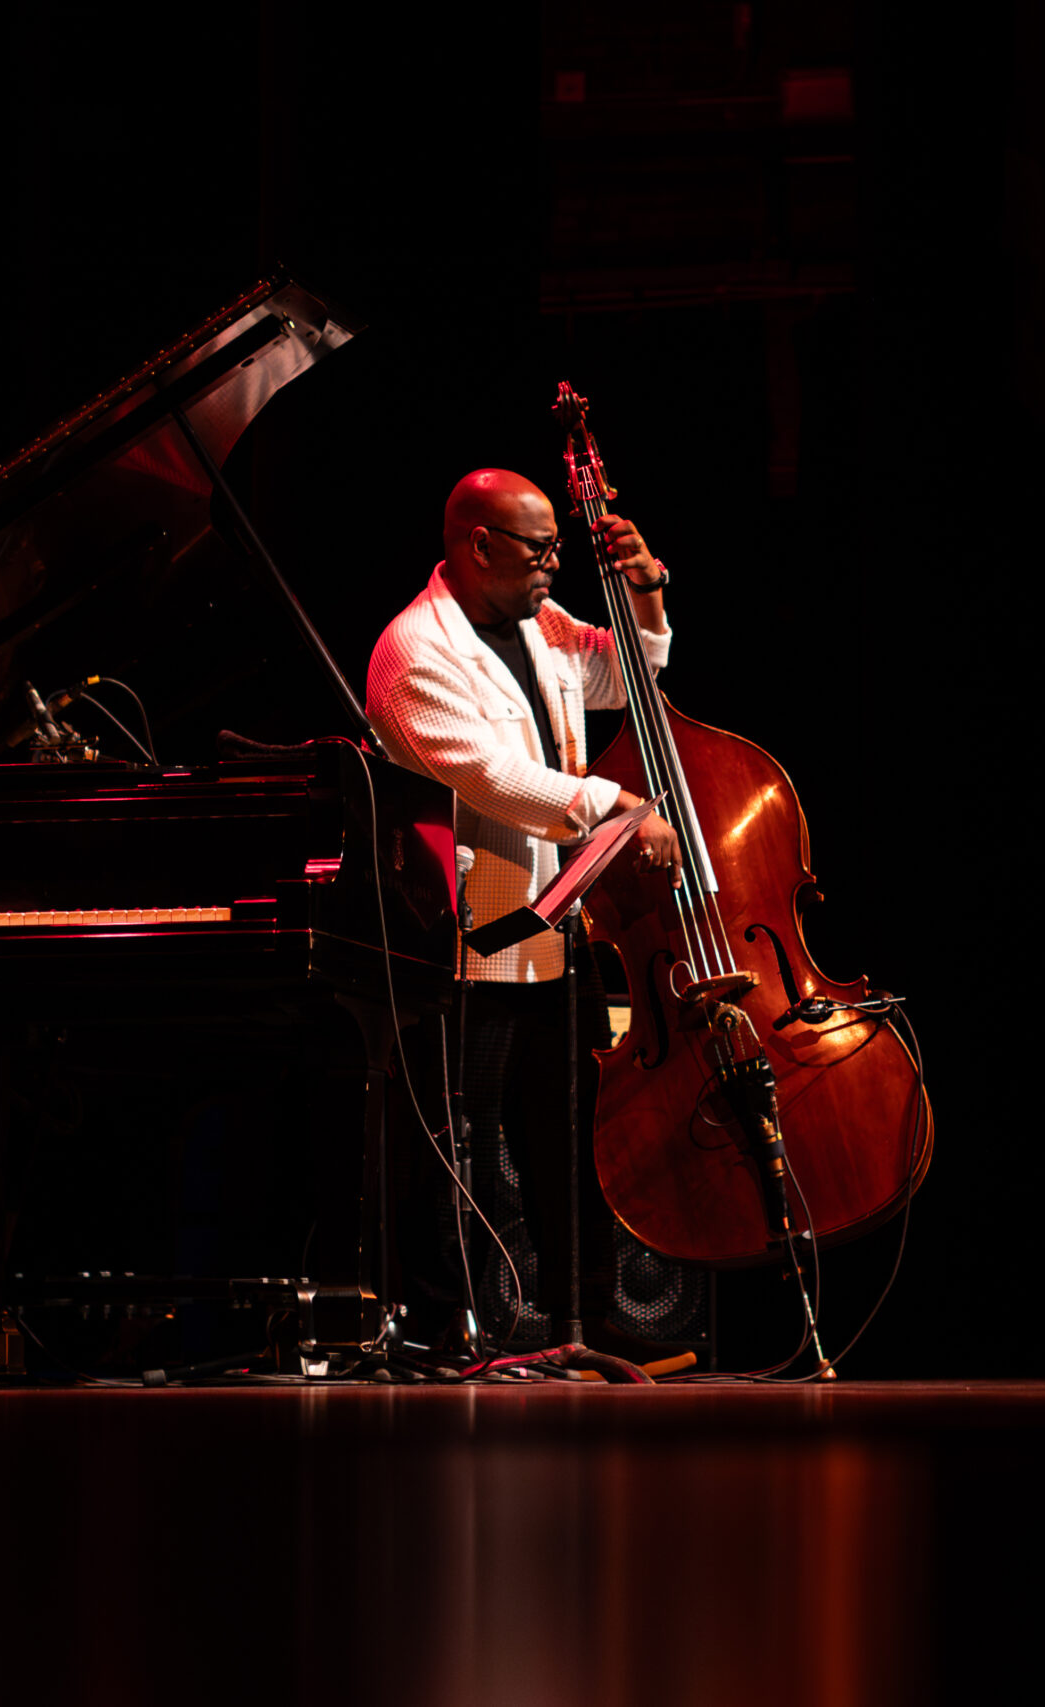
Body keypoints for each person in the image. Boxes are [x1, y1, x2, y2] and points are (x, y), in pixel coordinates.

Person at [365, 469, 675, 1347]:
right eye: (539, 546)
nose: (554, 562)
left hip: (552, 917)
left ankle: (587, 1322)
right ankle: (440, 1327)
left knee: (566, 1131)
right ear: (477, 545)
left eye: (556, 546)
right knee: (455, 1141)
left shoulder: (539, 624)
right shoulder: (412, 650)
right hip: (465, 930)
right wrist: (614, 804)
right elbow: (491, 779)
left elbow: (629, 679)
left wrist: (646, 590)